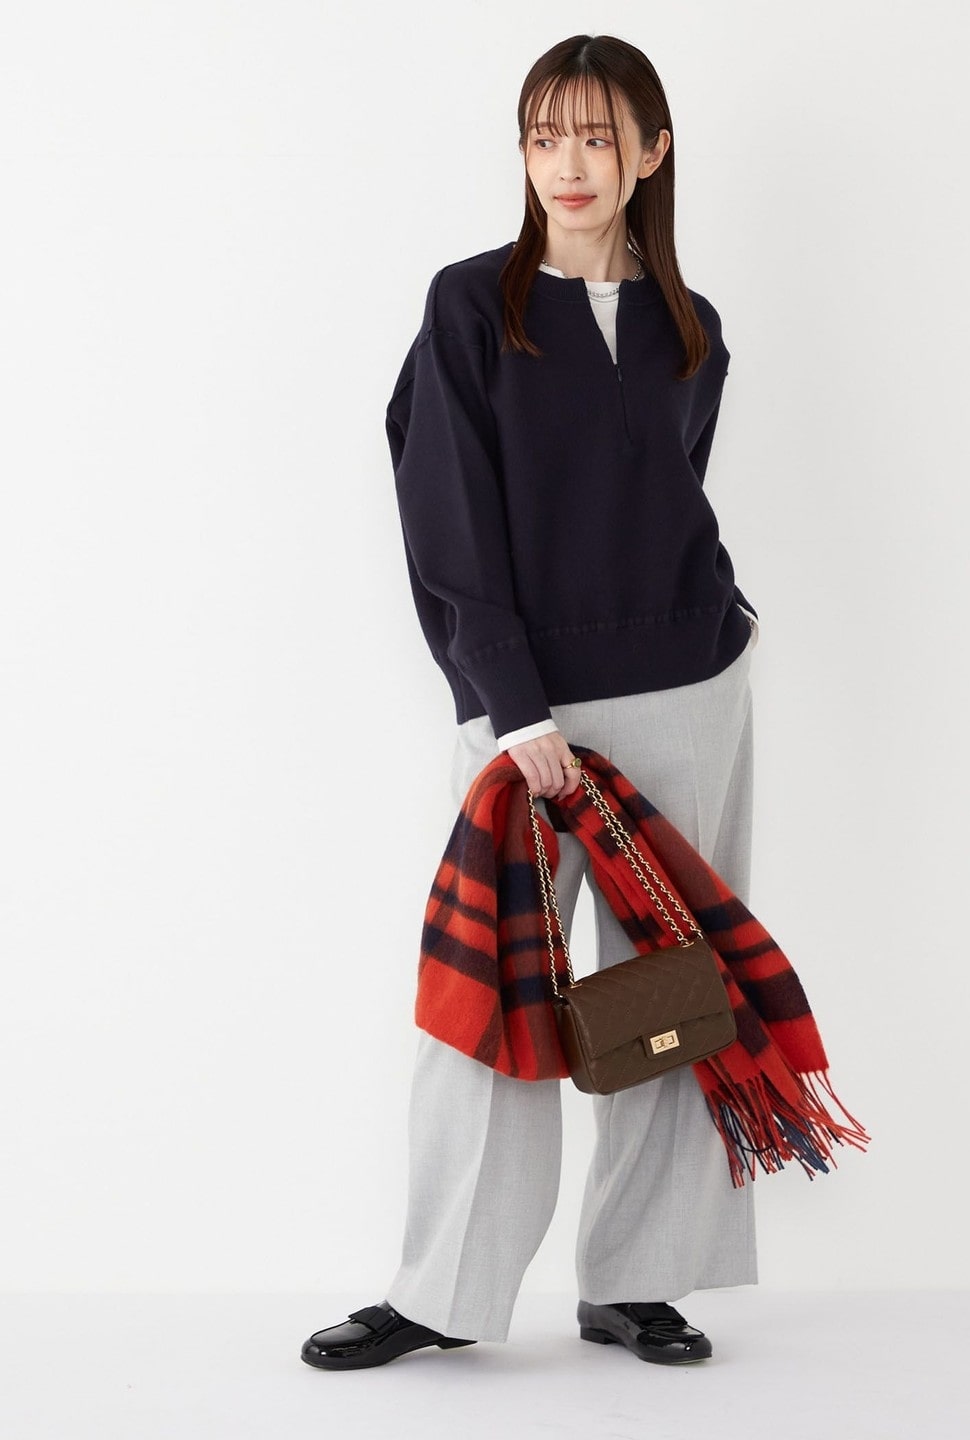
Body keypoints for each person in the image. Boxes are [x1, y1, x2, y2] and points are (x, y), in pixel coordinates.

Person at [302, 33, 762, 1372]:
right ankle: (443, 1290)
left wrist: (713, 635)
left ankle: (638, 1281)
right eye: (545, 135)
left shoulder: (692, 326)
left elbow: (667, 499)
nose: (569, 163)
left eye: (598, 136)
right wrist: (513, 706)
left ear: (651, 153)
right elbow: (445, 518)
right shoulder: (470, 308)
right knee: (490, 997)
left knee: (669, 988)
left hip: (690, 684)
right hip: (529, 712)